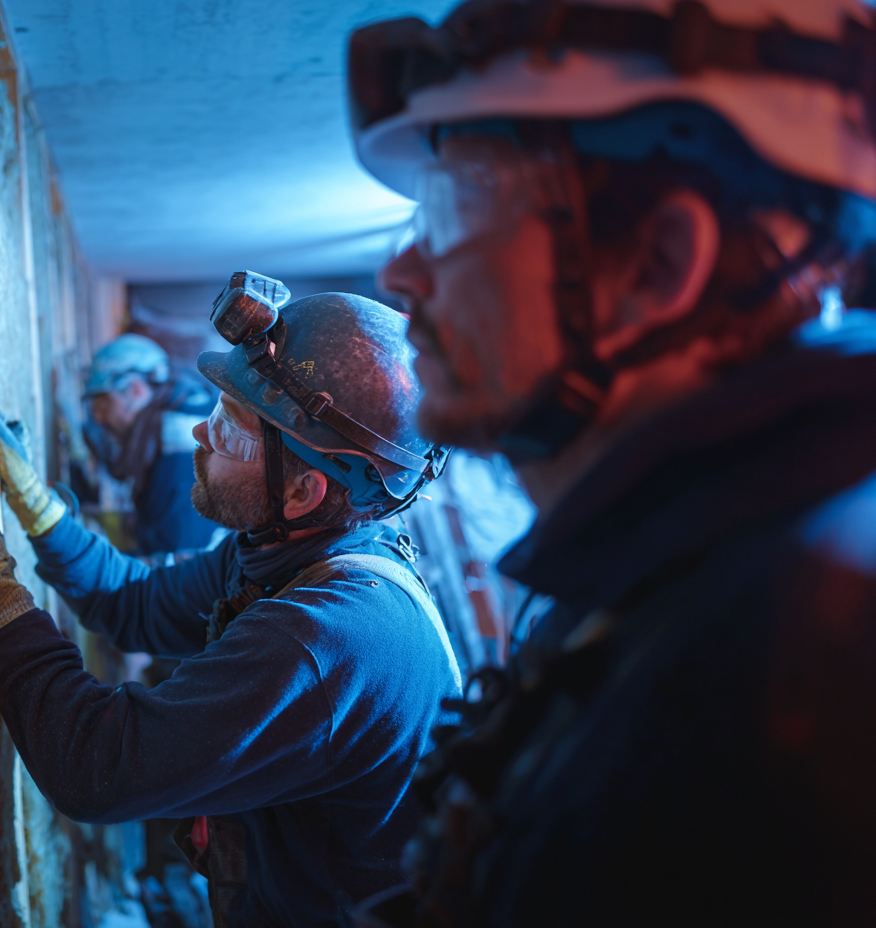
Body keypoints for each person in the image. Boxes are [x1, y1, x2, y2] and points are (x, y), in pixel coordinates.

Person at [347, 0, 876, 924]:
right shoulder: (668, 584)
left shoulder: (814, 666)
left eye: (461, 201)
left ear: (656, 267)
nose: (402, 271)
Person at [0, 278, 458, 926]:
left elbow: (98, 765)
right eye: (217, 409)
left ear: (303, 491)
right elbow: (134, 603)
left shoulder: (328, 637)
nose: (200, 435)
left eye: (231, 430)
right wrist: (40, 512)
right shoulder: (286, 550)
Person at [82, 332, 220, 556]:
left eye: (105, 402)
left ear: (136, 390)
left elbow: (173, 558)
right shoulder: (184, 411)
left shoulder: (178, 451)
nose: (99, 418)